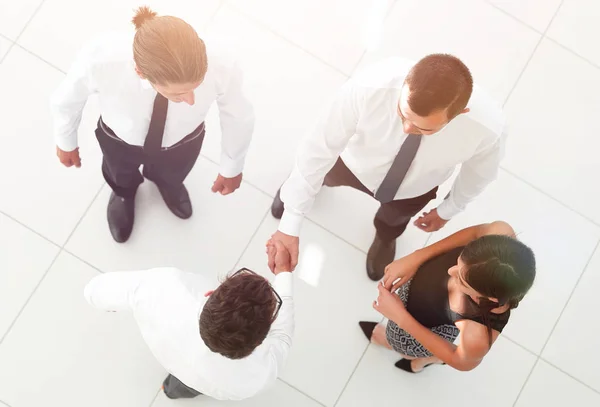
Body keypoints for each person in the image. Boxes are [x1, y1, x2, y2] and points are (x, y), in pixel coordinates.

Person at [268, 55, 506, 280]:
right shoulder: (369, 86)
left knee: (394, 220)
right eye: (403, 115)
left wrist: (448, 209)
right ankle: (295, 190)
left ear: (458, 115)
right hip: (352, 162)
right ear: (404, 85)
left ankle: (385, 237)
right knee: (320, 175)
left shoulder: (488, 129)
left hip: (413, 188)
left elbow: (478, 175)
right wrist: (292, 219)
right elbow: (319, 146)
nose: (407, 129)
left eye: (424, 129)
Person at [51, 6, 254, 242]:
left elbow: (238, 115)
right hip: (120, 140)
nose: (191, 100)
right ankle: (124, 194)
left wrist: (232, 166)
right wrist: (66, 140)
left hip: (183, 140)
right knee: (119, 173)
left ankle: (168, 184)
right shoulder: (101, 58)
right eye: (178, 94)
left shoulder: (223, 63)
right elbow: (67, 100)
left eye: (195, 87)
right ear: (140, 71)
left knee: (175, 171)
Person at [84, 240, 294, 400]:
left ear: (210, 293)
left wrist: (109, 304)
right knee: (188, 386)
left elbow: (94, 291)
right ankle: (173, 390)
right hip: (205, 381)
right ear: (258, 341)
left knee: (183, 376)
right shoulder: (256, 378)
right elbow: (283, 337)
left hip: (166, 352)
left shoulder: (164, 288)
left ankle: (171, 389)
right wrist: (284, 272)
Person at [359, 221, 535, 373]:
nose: (451, 271)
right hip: (419, 292)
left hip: (427, 325)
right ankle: (431, 357)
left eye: (462, 281)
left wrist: (400, 317)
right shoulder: (499, 233)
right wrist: (418, 257)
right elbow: (475, 233)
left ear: (491, 298)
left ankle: (423, 355)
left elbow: (462, 362)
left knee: (400, 343)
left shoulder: (478, 334)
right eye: (459, 262)